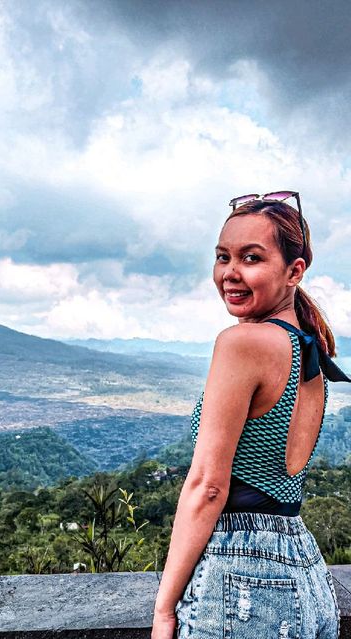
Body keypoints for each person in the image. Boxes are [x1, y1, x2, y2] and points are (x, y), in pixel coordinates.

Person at [151, 191, 346, 639]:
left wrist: (165, 609)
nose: (229, 273)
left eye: (251, 258)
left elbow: (208, 486)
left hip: (242, 577)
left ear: (294, 271)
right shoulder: (308, 350)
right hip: (308, 575)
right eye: (223, 257)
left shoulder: (244, 344)